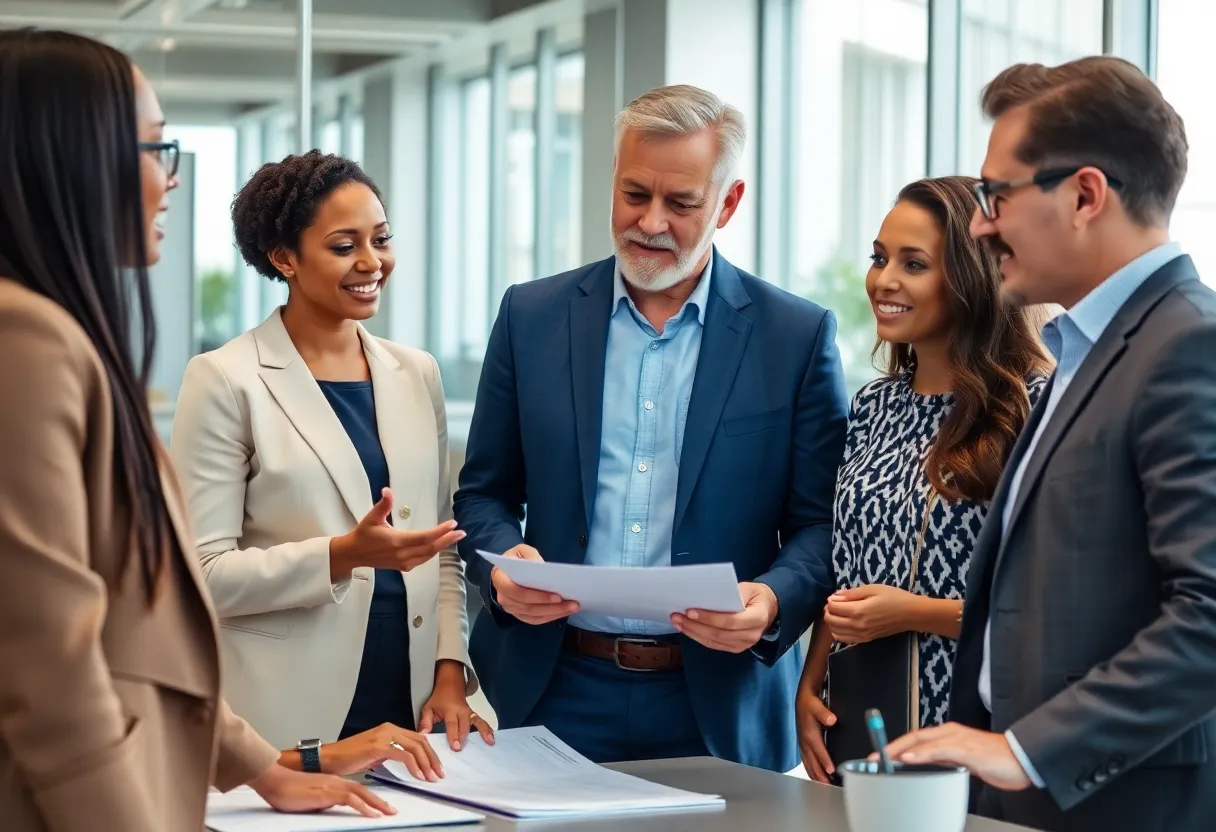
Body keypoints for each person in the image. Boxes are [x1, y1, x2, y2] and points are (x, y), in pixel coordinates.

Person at [0, 29, 395, 830]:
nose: (168, 179)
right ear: (76, 158)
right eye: (153, 148)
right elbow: (49, 669)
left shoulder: (54, 334)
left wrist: (263, 770)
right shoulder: (26, 343)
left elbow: (139, 630)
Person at [453, 84, 848, 772]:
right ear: (613, 177)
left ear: (728, 203)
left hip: (719, 702)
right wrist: (502, 570)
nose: (651, 222)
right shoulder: (531, 317)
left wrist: (774, 600)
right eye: (635, 194)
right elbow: (483, 495)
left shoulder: (796, 336)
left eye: (682, 203)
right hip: (554, 689)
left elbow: (821, 524)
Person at [881, 57, 1216, 831]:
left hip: (1120, 804)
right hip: (1025, 797)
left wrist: (1029, 750)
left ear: (1085, 195)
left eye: (996, 194)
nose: (979, 224)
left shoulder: (1185, 347)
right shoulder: (1083, 349)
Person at [169, 151, 489, 777]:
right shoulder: (225, 379)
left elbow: (441, 547)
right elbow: (199, 577)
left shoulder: (416, 372)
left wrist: (452, 673)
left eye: (381, 239)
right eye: (345, 246)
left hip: (419, 710)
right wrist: (342, 553)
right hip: (293, 717)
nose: (372, 262)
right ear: (284, 258)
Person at [795, 176, 1052, 784]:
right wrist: (809, 685)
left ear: (970, 279)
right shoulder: (872, 405)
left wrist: (915, 612)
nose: (884, 280)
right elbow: (845, 566)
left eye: (914, 264)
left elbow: (1043, 606)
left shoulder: (1032, 407)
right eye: (880, 258)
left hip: (970, 727)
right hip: (860, 720)